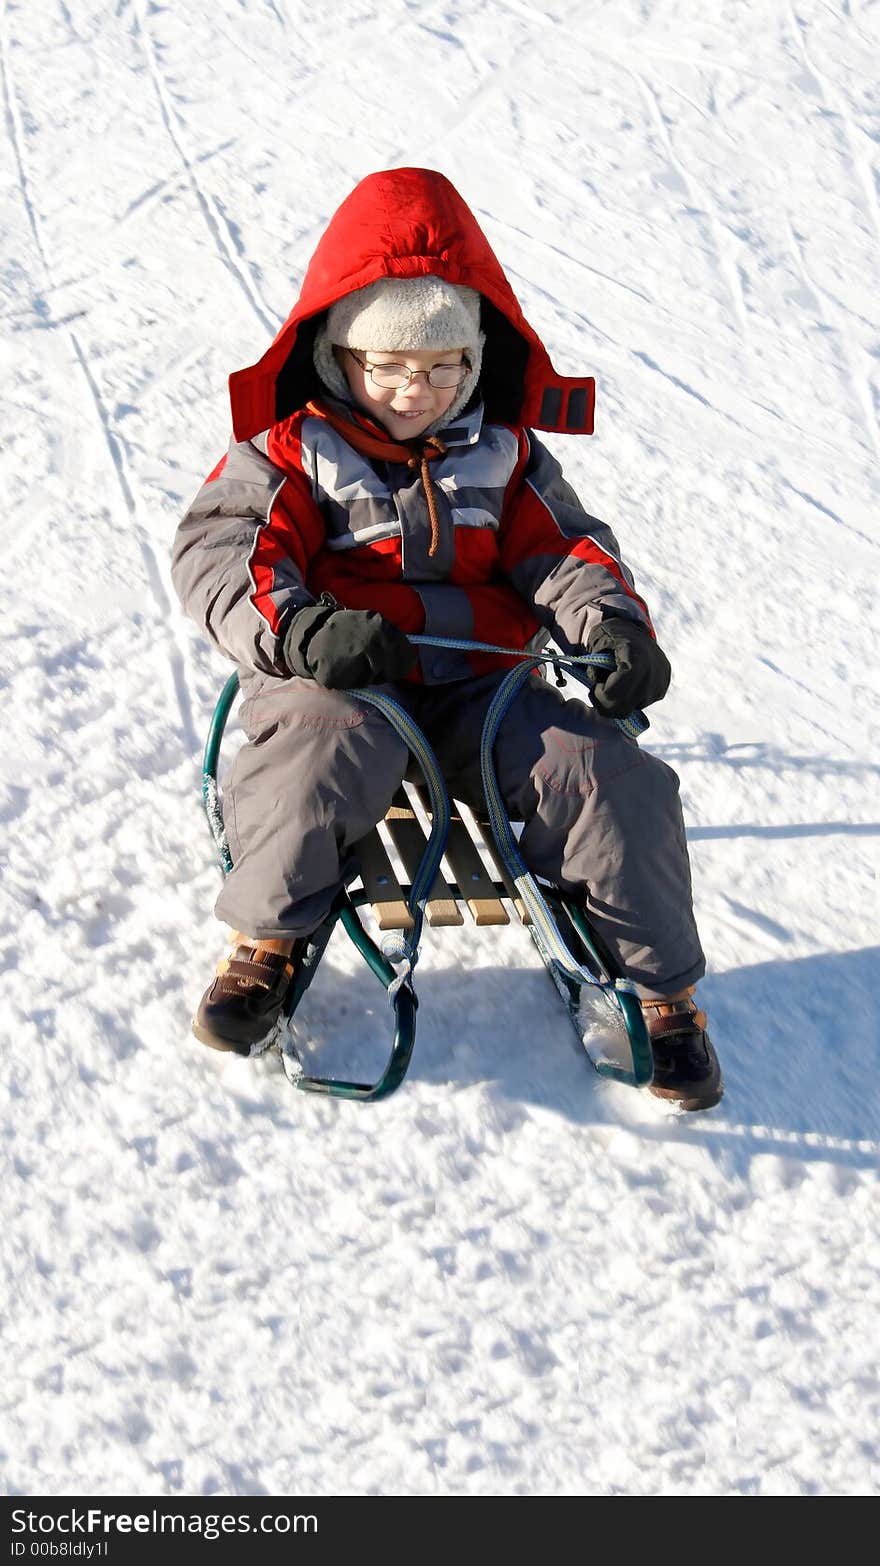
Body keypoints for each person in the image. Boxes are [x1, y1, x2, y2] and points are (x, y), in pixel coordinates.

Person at [172, 166, 722, 1112]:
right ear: (341, 355)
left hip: (484, 688)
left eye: (443, 368)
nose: (416, 390)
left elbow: (566, 551)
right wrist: (303, 630)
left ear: (474, 362)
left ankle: (661, 991)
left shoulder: (504, 452)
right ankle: (268, 940)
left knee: (605, 778)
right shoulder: (292, 449)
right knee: (316, 753)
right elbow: (219, 552)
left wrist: (613, 626)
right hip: (345, 676)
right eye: (389, 366)